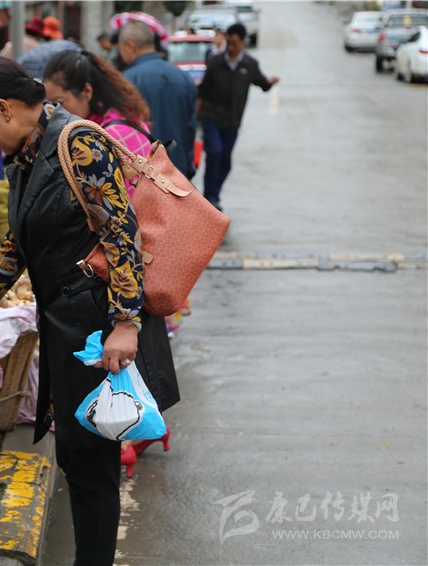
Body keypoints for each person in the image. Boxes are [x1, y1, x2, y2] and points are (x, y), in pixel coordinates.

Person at [0, 55, 179, 566]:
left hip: (96, 329)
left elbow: (122, 235)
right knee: (77, 454)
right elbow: (17, 244)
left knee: (91, 464)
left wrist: (126, 324)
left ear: (3, 108)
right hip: (67, 325)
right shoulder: (28, 153)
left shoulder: (77, 143)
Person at [43, 48, 180, 475]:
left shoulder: (101, 135)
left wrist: (124, 316)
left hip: (129, 271)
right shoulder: (117, 122)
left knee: (131, 359)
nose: (56, 112)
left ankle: (134, 434)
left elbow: (121, 226)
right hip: (139, 269)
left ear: (86, 92)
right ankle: (147, 426)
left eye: (60, 101)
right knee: (139, 359)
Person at [197, 22, 279, 210]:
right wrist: (195, 117)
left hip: (232, 122)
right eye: (228, 43)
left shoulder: (249, 64)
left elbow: (262, 83)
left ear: (243, 42)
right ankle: (209, 197)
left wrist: (270, 83)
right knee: (214, 152)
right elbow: (202, 91)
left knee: (225, 163)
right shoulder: (215, 62)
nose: (231, 47)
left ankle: (214, 193)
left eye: (234, 43)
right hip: (211, 117)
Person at [119, 20, 197, 179]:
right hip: (178, 171)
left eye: (120, 48)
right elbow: (190, 129)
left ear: (130, 45)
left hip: (143, 174)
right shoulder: (183, 77)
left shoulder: (125, 81)